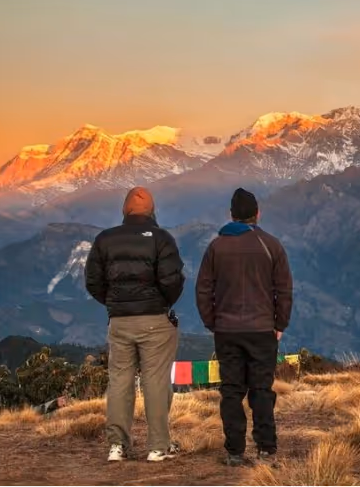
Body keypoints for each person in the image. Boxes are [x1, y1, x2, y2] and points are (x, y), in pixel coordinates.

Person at [85, 186, 184, 463]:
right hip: (155, 320)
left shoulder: (105, 239)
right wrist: (161, 303)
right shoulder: (162, 239)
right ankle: (158, 447)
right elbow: (173, 281)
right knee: (156, 381)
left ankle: (117, 446)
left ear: (124, 210)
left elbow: (92, 281)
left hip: (119, 321)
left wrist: (115, 302)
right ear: (152, 211)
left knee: (119, 380)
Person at [196, 188, 293, 467]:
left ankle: (235, 452)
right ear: (257, 214)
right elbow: (284, 290)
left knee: (231, 390)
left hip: (226, 330)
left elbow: (203, 290)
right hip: (262, 329)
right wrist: (280, 323)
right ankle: (266, 448)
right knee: (261, 389)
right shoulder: (271, 245)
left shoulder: (216, 247)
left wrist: (212, 322)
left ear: (231, 215)